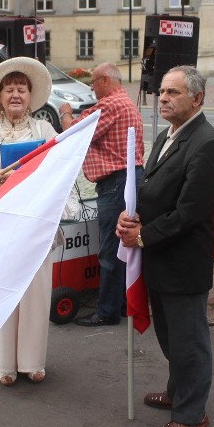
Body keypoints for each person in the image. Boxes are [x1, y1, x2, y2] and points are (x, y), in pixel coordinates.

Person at [116, 66, 214, 427]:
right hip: (158, 256)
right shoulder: (169, 134)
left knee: (188, 340)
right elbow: (151, 189)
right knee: (169, 335)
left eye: (173, 92)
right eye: (162, 91)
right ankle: (179, 390)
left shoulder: (208, 143)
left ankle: (192, 414)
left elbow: (190, 212)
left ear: (197, 99)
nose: (163, 97)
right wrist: (131, 217)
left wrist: (143, 235)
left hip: (183, 261)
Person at [0, 56, 57, 386]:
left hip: (35, 223)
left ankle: (32, 361)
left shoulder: (46, 130)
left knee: (34, 291)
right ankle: (5, 362)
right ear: (0, 97)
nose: (15, 94)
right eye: (9, 89)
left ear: (30, 96)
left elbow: (57, 174)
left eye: (21, 89)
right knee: (3, 291)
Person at [59, 63, 145, 327]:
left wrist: (65, 114)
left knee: (110, 249)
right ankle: (120, 305)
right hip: (127, 180)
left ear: (105, 80)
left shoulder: (110, 105)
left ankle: (107, 311)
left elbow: (74, 133)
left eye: (93, 83)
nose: (92, 88)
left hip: (117, 183)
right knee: (122, 246)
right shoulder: (125, 102)